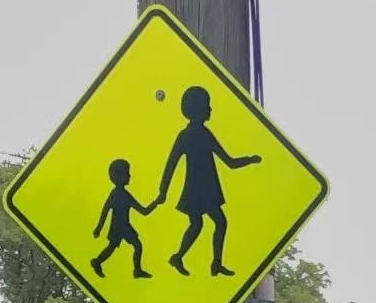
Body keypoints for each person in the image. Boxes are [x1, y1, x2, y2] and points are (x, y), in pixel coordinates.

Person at [148, 85, 259, 279]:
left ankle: (193, 260)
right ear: (198, 109)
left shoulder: (196, 134)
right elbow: (171, 164)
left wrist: (250, 160)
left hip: (203, 188)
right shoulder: (194, 134)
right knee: (215, 223)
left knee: (205, 223)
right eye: (207, 106)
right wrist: (162, 192)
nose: (210, 109)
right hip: (201, 190)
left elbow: (228, 162)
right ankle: (194, 260)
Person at [91, 158, 150, 278]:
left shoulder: (125, 195)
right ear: (118, 177)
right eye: (127, 173)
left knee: (135, 246)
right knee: (116, 247)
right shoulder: (117, 194)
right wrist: (99, 228)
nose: (129, 176)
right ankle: (97, 262)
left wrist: (156, 203)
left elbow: (143, 211)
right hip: (118, 228)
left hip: (124, 226)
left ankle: (137, 270)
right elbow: (105, 210)